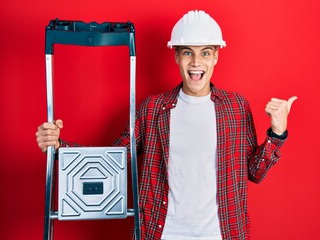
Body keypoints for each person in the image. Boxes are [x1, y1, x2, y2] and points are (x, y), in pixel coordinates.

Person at [36, 10, 297, 240]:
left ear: (216, 56)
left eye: (205, 52)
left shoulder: (236, 107)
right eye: (188, 53)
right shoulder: (152, 109)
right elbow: (115, 160)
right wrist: (59, 146)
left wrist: (277, 132)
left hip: (222, 233)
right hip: (161, 232)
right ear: (176, 57)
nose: (196, 62)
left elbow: (255, 172)